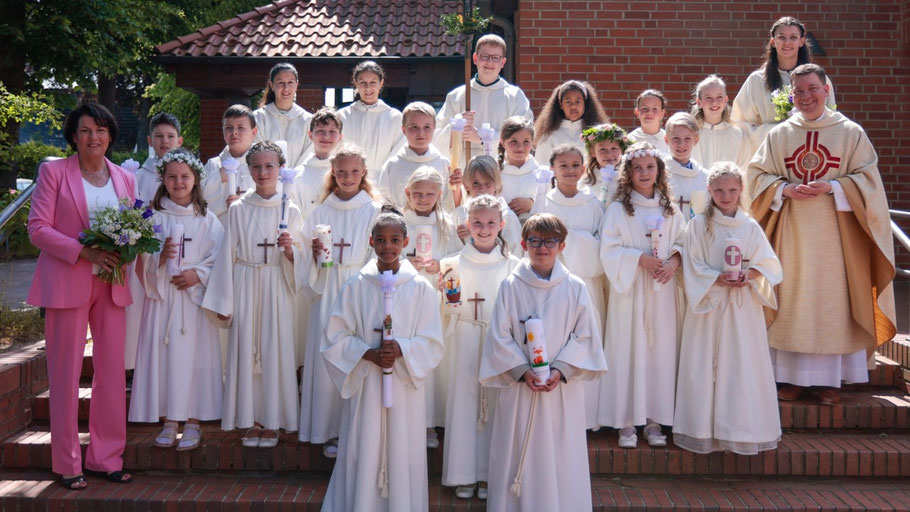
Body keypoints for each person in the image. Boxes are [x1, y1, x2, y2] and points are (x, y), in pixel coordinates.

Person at [747, 64, 896, 405]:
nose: (806, 96)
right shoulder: (780, 134)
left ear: (826, 90)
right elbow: (755, 178)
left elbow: (869, 182)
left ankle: (831, 382)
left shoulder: (849, 132)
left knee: (833, 302)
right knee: (794, 299)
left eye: (812, 89)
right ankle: (791, 379)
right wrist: (783, 190)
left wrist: (833, 186)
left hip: (838, 239)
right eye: (798, 91)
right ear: (792, 95)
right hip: (792, 236)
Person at [27, 103, 135, 489]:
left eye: (102, 130)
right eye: (86, 130)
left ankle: (106, 457)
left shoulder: (124, 179)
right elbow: (37, 229)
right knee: (65, 375)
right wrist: (83, 251)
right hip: (67, 282)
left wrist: (127, 251)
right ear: (74, 135)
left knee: (109, 375)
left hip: (112, 283)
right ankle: (68, 462)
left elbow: (131, 229)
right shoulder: (54, 172)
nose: (94, 137)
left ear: (111, 136)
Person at [480, 213, 607, 512]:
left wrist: (561, 369)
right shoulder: (511, 285)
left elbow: (586, 335)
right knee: (518, 449)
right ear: (524, 244)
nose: (542, 248)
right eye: (535, 241)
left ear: (562, 246)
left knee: (561, 451)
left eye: (550, 241)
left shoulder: (575, 287)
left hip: (560, 388)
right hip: (522, 387)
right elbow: (499, 335)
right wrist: (523, 371)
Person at [320, 208, 444, 512]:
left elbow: (432, 341)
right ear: (371, 242)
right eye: (380, 240)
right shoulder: (355, 286)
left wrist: (402, 348)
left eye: (394, 240)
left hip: (403, 385)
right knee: (365, 444)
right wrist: (368, 353)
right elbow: (335, 336)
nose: (387, 246)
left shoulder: (420, 289)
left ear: (405, 242)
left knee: (403, 450)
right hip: (368, 381)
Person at [674, 162, 782, 455]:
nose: (726, 195)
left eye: (732, 190)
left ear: (741, 190)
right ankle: (701, 429)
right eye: (719, 190)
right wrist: (715, 278)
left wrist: (750, 275)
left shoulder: (749, 226)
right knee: (704, 365)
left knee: (740, 365)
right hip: (709, 306)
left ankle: (741, 429)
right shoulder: (698, 225)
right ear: (709, 190)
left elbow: (770, 264)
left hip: (741, 308)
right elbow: (691, 265)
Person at [203, 141, 304, 447]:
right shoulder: (238, 209)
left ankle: (274, 421)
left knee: (275, 350)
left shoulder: (292, 209)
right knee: (246, 349)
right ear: (248, 171)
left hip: (277, 286)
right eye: (257, 167)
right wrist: (224, 301)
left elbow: (301, 259)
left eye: (270, 166)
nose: (263, 172)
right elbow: (225, 257)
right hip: (245, 283)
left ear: (280, 169)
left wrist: (290, 253)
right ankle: (251, 419)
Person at [128, 148, 224, 451]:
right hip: (163, 299)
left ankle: (193, 420)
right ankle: (170, 420)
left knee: (195, 359)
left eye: (185, 176)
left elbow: (219, 259)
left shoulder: (208, 220)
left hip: (192, 300)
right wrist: (158, 256)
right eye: (172, 177)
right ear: (163, 180)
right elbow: (137, 259)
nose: (179, 182)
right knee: (166, 358)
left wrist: (198, 275)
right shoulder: (152, 217)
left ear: (195, 180)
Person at [598, 142, 686, 448]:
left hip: (662, 292)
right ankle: (625, 421)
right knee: (628, 350)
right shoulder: (619, 209)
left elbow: (685, 246)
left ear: (659, 171)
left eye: (650, 167)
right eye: (638, 168)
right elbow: (608, 250)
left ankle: (654, 419)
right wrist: (638, 259)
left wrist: (673, 263)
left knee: (659, 352)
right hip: (631, 291)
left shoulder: (671, 209)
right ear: (629, 173)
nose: (644, 173)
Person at [298, 144, 381, 457]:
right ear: (333, 173)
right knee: (328, 354)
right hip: (328, 288)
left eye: (354, 172)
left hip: (360, 288)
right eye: (342, 172)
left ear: (364, 173)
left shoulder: (374, 210)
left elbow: (380, 252)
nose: (348, 177)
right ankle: (325, 428)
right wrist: (315, 257)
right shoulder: (320, 211)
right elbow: (304, 254)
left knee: (355, 355)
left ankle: (355, 428)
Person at [440, 194, 520, 500]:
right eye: (477, 222)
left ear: (501, 224)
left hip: (498, 342)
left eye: (490, 223)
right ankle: (464, 473)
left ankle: (489, 474)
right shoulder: (451, 263)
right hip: (464, 338)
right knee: (465, 405)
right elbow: (446, 308)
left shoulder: (513, 265)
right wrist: (443, 298)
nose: (484, 229)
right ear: (467, 225)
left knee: (495, 407)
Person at [532, 144, 607, 430]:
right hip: (554, 285)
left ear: (584, 168)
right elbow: (536, 240)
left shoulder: (593, 203)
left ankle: (587, 418)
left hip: (587, 283)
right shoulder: (544, 203)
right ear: (552, 168)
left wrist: (572, 240)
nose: (570, 170)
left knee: (583, 341)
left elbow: (601, 243)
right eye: (563, 165)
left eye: (576, 165)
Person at [401, 167, 463, 446]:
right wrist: (404, 264)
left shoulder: (447, 224)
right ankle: (415, 420)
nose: (423, 199)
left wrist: (442, 265)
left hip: (436, 299)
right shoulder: (399, 222)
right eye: (418, 194)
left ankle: (434, 420)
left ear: (439, 195)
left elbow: (459, 256)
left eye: (429, 194)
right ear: (408, 194)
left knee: (437, 361)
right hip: (408, 301)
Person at [125, 112, 184, 372]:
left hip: (174, 249)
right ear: (150, 140)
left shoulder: (184, 173)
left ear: (179, 141)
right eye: (159, 136)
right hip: (145, 254)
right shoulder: (138, 176)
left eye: (170, 136)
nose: (165, 141)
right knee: (139, 309)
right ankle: (136, 367)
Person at [732, 16, 836, 157]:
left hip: (809, 152)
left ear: (801, 42)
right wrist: (780, 131)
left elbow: (830, 116)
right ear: (773, 42)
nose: (787, 43)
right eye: (781, 37)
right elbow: (740, 123)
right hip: (771, 153)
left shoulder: (818, 79)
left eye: (793, 37)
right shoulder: (756, 81)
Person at [434, 34, 533, 160]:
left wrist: (481, 137)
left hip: (500, 165)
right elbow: (437, 138)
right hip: (465, 164)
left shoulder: (515, 96)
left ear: (502, 62)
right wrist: (456, 126)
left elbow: (524, 135)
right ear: (475, 58)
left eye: (495, 58)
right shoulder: (457, 96)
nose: (489, 62)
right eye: (484, 56)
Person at [377, 102, 458, 211]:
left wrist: (457, 186)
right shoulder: (391, 166)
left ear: (434, 128)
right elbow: (384, 203)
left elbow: (452, 206)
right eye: (414, 127)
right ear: (404, 130)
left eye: (427, 127)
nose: (421, 133)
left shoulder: (444, 164)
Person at [337, 61, 406, 171]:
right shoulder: (342, 117)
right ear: (355, 83)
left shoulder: (395, 118)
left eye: (373, 82)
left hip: (383, 182)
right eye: (363, 83)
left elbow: (398, 154)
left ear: (381, 83)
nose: (368, 88)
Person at [453, 156, 523, 257]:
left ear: (496, 184)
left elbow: (513, 251)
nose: (482, 188)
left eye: (487, 183)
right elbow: (453, 249)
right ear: (467, 185)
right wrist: (460, 237)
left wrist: (475, 231)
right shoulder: (460, 214)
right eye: (476, 183)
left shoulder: (506, 216)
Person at [286, 107, 344, 221]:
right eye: (320, 131)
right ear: (310, 135)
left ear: (340, 137)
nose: (326, 136)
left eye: (332, 132)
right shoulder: (297, 176)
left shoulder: (347, 173)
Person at [202, 105, 259, 222]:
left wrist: (243, 203)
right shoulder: (213, 165)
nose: (234, 132)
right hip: (220, 230)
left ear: (254, 132)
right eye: (229, 127)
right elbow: (199, 202)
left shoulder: (262, 164)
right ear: (222, 130)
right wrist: (218, 177)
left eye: (241, 127)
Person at [533, 80, 608, 167]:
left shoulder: (596, 134)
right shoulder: (548, 135)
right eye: (568, 102)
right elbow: (542, 167)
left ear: (585, 104)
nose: (573, 106)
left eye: (578, 102)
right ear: (561, 105)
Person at [253, 62, 313, 168]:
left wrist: (293, 176)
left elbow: (308, 154)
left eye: (290, 82)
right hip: (265, 179)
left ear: (297, 84)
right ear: (272, 85)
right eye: (281, 83)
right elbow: (256, 151)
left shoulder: (307, 120)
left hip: (298, 180)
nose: (286, 88)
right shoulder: (258, 118)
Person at [690, 75, 749, 172]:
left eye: (719, 97)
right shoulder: (690, 134)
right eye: (708, 97)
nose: (714, 102)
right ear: (699, 102)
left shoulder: (737, 135)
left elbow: (743, 169)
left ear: (726, 100)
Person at [498, 116, 543, 223]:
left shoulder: (541, 174)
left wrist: (532, 204)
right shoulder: (495, 173)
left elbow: (549, 204)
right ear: (503, 142)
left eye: (526, 142)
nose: (520, 148)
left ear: (533, 142)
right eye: (514, 141)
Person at [663, 112, 708, 220]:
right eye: (675, 138)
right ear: (666, 140)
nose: (681, 144)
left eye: (687, 138)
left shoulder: (705, 177)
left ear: (696, 140)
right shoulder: (659, 174)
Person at [581, 122, 634, 206]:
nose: (609, 154)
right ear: (593, 152)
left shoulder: (629, 177)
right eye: (602, 149)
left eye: (614, 148)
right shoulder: (587, 180)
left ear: (621, 149)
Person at [629, 90, 670, 156]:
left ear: (662, 114)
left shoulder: (670, 140)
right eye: (645, 108)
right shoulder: (629, 140)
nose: (649, 113)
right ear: (637, 112)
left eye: (655, 109)